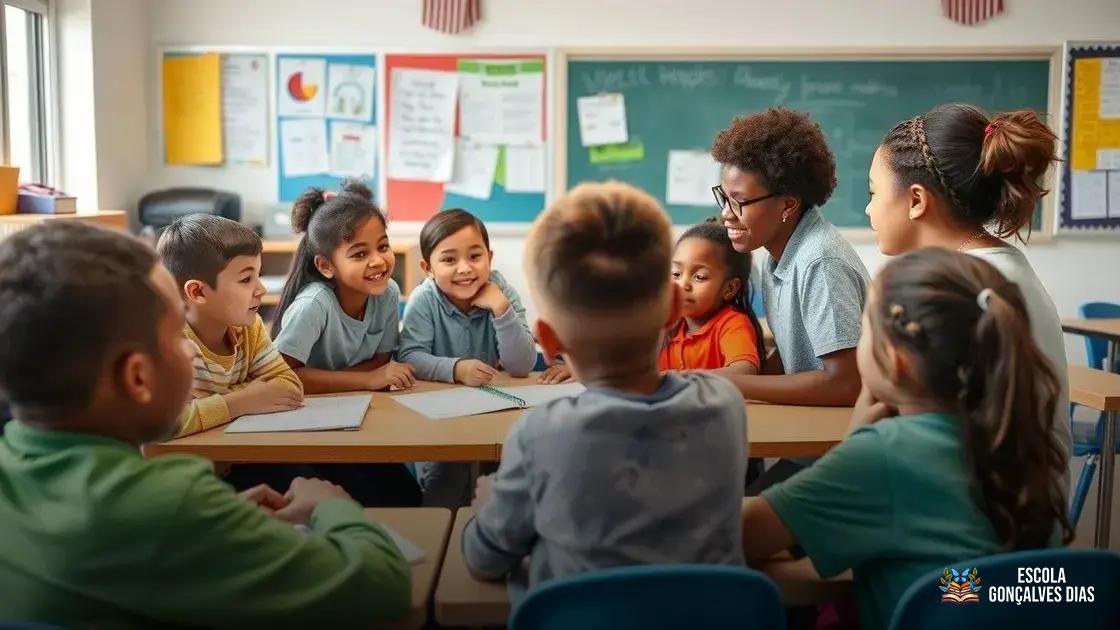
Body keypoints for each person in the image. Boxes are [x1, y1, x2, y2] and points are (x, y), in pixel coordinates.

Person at [0, 222, 411, 626]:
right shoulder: (169, 503)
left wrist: (215, 521)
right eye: (174, 335)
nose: (192, 354)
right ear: (138, 377)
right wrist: (332, 506)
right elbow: (383, 586)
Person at [741, 248, 1071, 630]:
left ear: (894, 360)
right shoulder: (1016, 438)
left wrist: (850, 449)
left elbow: (738, 535)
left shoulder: (880, 456)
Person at [462, 182, 747, 601]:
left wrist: (485, 508)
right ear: (673, 307)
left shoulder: (539, 434)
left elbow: (484, 559)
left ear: (549, 340)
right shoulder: (725, 407)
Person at [866, 102, 1071, 464]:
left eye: (873, 193)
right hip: (1030, 507)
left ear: (916, 200)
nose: (869, 209)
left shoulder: (953, 289)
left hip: (978, 510)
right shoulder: (1000, 265)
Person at [156, 214, 303, 437]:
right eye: (246, 279)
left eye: (258, 275)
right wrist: (241, 401)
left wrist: (204, 406)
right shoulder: (168, 341)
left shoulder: (249, 328)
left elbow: (290, 386)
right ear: (198, 292)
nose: (261, 289)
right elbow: (161, 423)